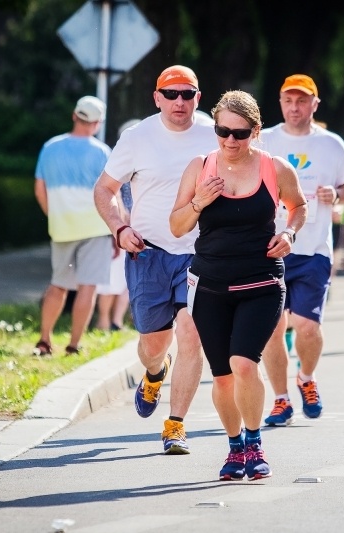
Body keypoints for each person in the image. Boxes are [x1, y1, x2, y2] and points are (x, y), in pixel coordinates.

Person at [170, 90, 307, 480]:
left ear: (256, 131)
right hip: (210, 285)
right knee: (223, 376)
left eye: (240, 133)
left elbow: (298, 206)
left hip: (261, 281)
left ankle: (254, 441)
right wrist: (198, 201)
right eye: (222, 131)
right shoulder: (200, 166)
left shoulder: (275, 168)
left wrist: (291, 234)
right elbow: (176, 225)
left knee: (244, 364)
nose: (230, 140)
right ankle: (234, 449)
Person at [94, 65, 216, 454]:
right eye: (171, 93)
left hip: (199, 254)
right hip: (148, 253)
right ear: (157, 97)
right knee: (152, 344)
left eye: (188, 93)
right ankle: (153, 372)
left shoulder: (215, 134)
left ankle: (175, 425)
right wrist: (119, 228)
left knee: (191, 334)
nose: (179, 101)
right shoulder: (137, 137)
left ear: (198, 96)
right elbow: (105, 189)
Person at [258, 74, 344, 426]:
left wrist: (338, 195)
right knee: (273, 328)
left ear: (314, 104)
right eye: (289, 100)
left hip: (314, 248)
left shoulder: (332, 145)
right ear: (281, 103)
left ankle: (306, 378)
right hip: (270, 247)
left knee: (306, 327)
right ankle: (281, 400)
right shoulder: (264, 139)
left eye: (302, 101)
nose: (295, 107)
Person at [33, 96, 113, 356]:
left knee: (58, 285)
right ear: (97, 123)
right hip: (96, 227)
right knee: (87, 287)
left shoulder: (50, 147)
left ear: (74, 116)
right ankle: (73, 345)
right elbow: (109, 192)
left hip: (63, 228)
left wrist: (53, 216)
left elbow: (39, 189)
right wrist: (117, 228)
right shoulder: (102, 151)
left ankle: (44, 340)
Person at [95, 119, 141, 332]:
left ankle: (116, 321)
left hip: (138, 225)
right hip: (121, 226)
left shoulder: (143, 156)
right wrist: (119, 226)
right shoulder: (119, 158)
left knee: (127, 279)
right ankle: (104, 321)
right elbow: (112, 194)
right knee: (111, 278)